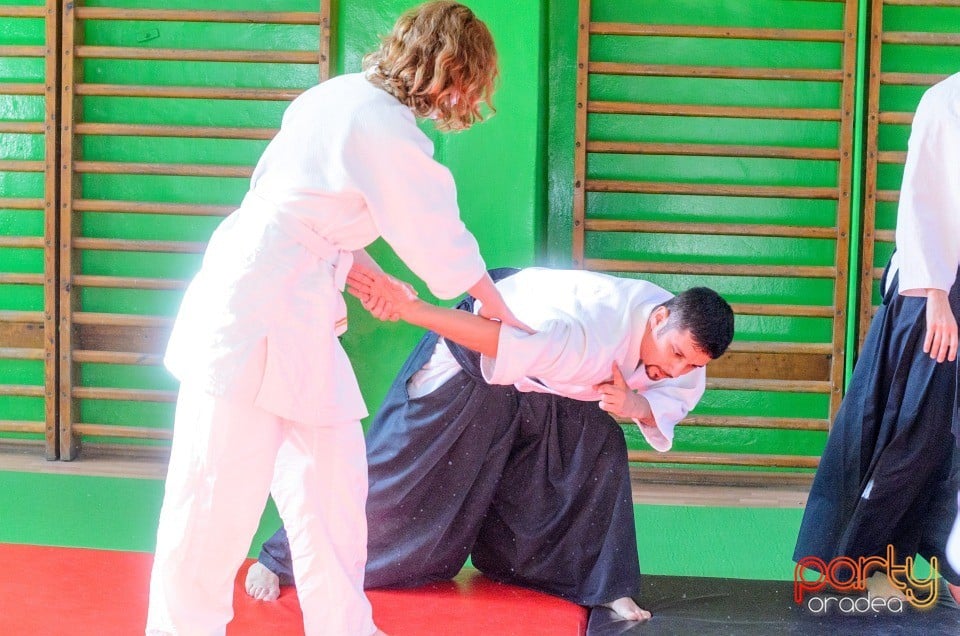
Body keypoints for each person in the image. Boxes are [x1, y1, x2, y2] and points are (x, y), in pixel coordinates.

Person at [145, 4, 527, 635]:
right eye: (463, 83)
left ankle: (345, 626)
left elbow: (313, 213)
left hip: (294, 301)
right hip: (252, 309)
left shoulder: (344, 98)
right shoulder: (377, 122)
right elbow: (437, 236)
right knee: (214, 495)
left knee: (333, 487)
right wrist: (502, 308)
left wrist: (365, 273)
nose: (460, 99)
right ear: (446, 67)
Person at [245, 266, 735, 622]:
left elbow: (672, 396)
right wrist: (415, 309)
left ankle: (597, 582)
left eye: (690, 364)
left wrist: (635, 405)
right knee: (401, 473)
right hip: (481, 348)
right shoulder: (584, 332)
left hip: (555, 382)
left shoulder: (682, 342)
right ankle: (283, 557)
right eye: (673, 356)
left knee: (600, 444)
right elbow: (495, 341)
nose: (675, 371)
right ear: (658, 318)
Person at [794, 72, 960, 604]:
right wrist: (935, 295)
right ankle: (856, 562)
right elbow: (924, 198)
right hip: (934, 292)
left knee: (947, 446)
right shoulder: (946, 100)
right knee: (909, 435)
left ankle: (936, 567)